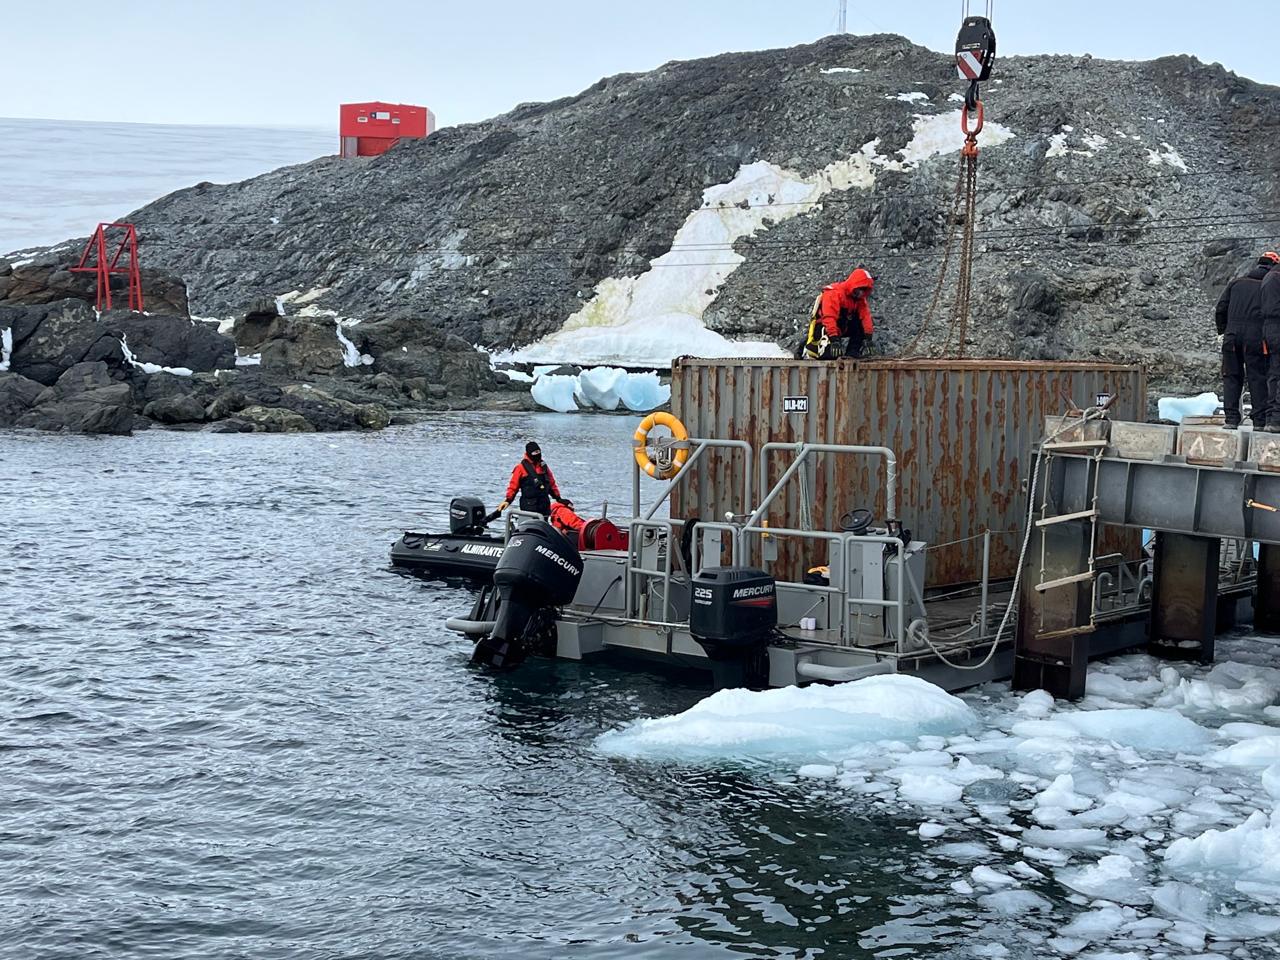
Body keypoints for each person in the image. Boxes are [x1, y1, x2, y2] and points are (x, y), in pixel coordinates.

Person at [1217, 252, 1278, 429]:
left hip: (1232, 336)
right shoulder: (1269, 285)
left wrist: (1222, 331)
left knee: (1231, 376)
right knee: (1257, 378)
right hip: (1256, 338)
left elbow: (1221, 308)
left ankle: (1231, 419)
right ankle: (1259, 422)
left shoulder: (1236, 283)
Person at [801, 267, 876, 359]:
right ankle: (807, 347)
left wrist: (868, 338)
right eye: (860, 289)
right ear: (854, 285)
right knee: (829, 356)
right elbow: (829, 318)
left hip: (842, 326)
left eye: (864, 290)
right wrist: (834, 339)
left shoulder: (859, 299)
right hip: (825, 328)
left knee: (860, 324)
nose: (861, 293)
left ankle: (852, 353)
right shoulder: (834, 293)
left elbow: (865, 317)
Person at [498, 441, 565, 517]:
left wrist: (558, 498)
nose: (537, 454)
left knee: (543, 525)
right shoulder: (520, 468)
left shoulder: (544, 467)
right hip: (529, 506)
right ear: (529, 454)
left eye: (538, 451)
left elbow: (552, 484)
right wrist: (508, 500)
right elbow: (513, 486)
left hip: (544, 505)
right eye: (535, 452)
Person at [1263, 255, 1280, 432]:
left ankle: (1271, 420)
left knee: (1274, 374)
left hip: (1269, 329)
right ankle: (1276, 420)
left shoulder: (1270, 277)